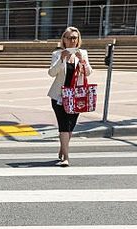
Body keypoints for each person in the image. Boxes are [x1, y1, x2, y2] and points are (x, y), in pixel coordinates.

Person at [48, 26, 93, 167]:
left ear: (78, 39)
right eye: (68, 38)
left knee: (70, 126)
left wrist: (82, 61)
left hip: (76, 97)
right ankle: (66, 157)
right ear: (64, 40)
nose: (72, 40)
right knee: (63, 125)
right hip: (59, 96)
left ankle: (63, 147)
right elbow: (51, 73)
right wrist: (61, 60)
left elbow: (88, 72)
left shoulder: (83, 53)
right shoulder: (57, 54)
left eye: (74, 38)